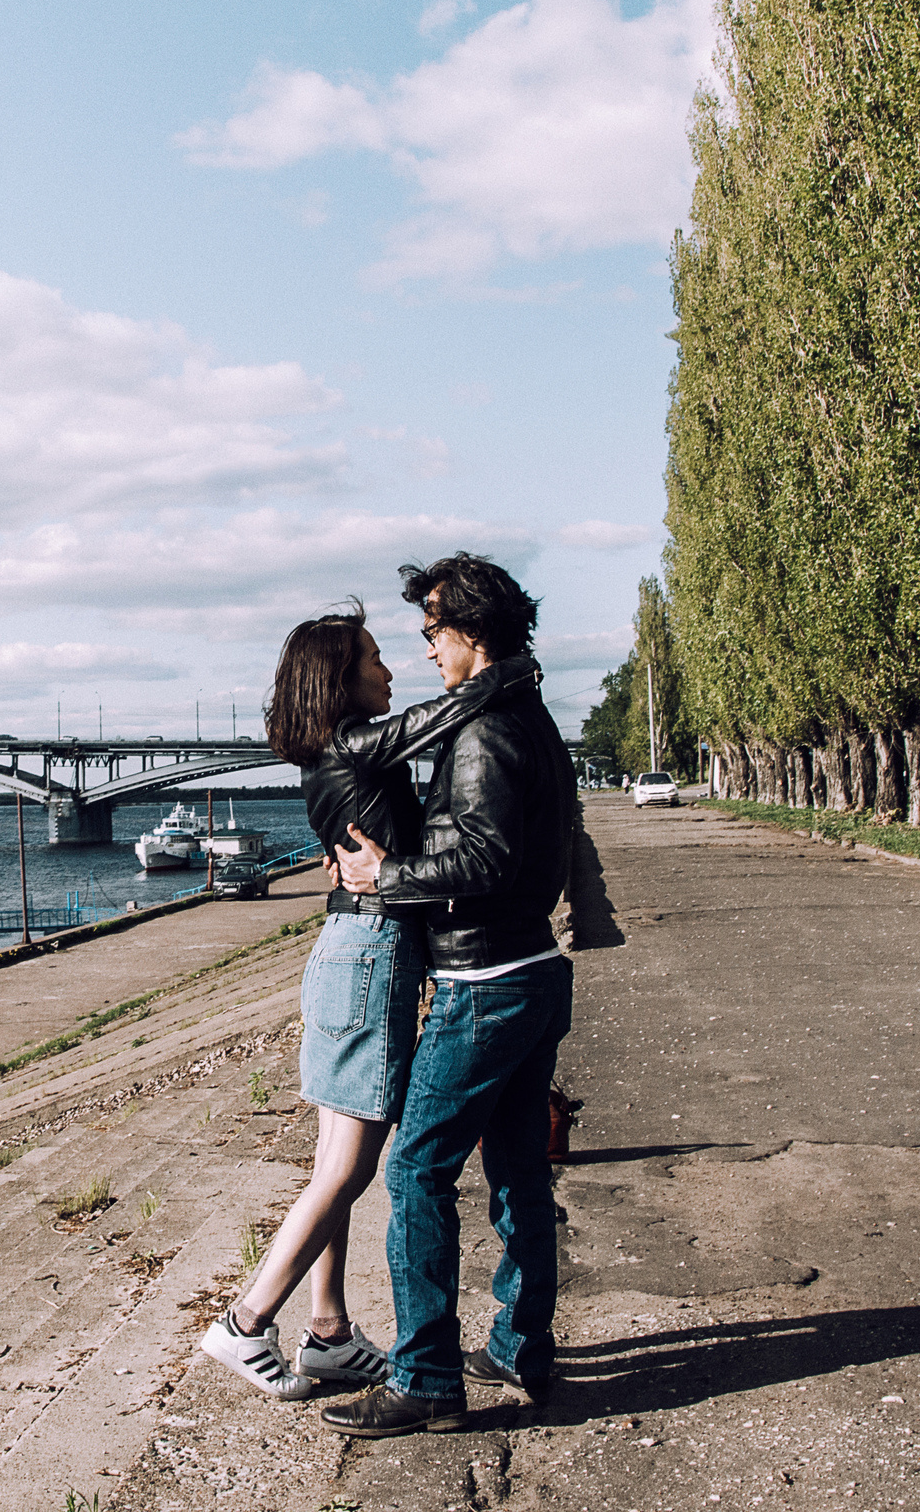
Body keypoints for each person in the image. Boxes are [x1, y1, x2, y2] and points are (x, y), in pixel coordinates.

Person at [197, 600, 538, 1400]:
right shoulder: (351, 743)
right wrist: (512, 672)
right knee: (349, 1169)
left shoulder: (333, 756)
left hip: (349, 953)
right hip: (373, 955)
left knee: (332, 1166)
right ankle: (245, 1324)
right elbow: (442, 712)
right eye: (376, 659)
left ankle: (329, 1332)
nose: (390, 671)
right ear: (341, 682)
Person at [322, 553, 582, 1439]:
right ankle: (519, 1345)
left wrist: (384, 874)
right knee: (514, 1174)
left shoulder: (485, 733)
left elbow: (482, 856)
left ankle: (427, 1377)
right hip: (532, 972)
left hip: (486, 985)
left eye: (433, 632)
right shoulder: (525, 713)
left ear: (468, 630)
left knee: (417, 1170)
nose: (427, 650)